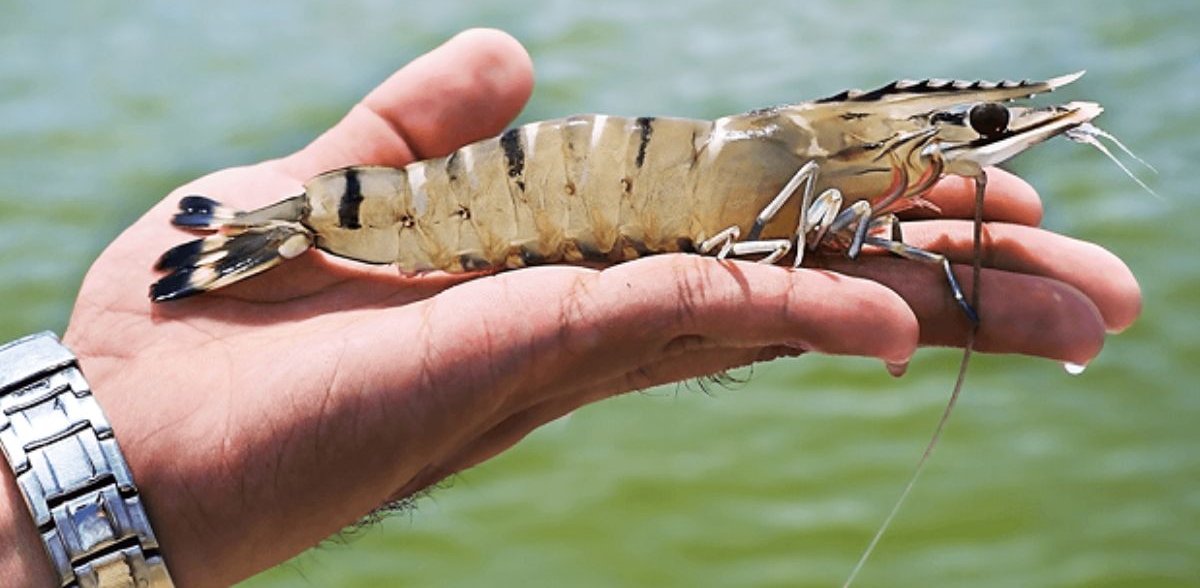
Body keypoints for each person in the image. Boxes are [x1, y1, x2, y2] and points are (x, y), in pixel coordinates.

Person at [0, 29, 1141, 587]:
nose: (963, 154)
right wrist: (125, 448)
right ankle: (308, 222)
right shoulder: (813, 162)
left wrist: (118, 476)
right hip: (512, 200)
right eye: (968, 135)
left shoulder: (854, 146)